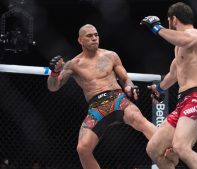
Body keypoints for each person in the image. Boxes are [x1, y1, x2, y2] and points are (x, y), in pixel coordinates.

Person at [47, 24, 157, 169]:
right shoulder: (73, 64)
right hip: (97, 107)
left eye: (96, 35)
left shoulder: (110, 55)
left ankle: (166, 151)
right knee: (83, 148)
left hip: (118, 99)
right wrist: (54, 73)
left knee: (140, 120)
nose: (94, 38)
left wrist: (130, 87)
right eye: (89, 36)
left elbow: (125, 79)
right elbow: (53, 87)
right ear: (80, 40)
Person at [140, 2, 197, 169]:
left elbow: (187, 40)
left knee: (181, 147)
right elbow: (173, 75)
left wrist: (157, 28)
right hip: (184, 101)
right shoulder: (179, 47)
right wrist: (158, 89)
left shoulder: (195, 34)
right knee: (154, 149)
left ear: (173, 20)